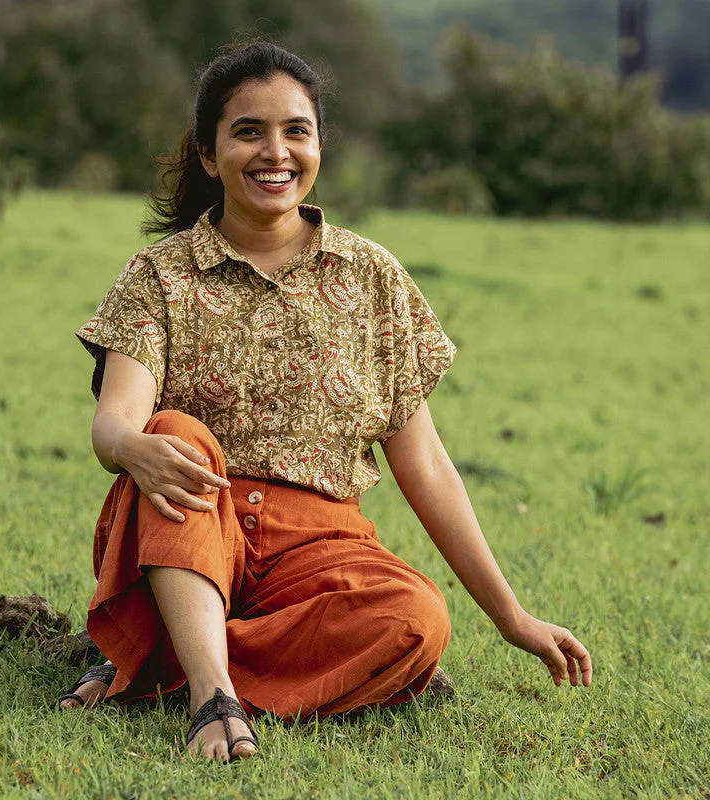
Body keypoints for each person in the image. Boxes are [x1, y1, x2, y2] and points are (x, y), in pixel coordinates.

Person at [59, 42, 592, 761]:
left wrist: (511, 616)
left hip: (318, 550)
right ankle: (212, 695)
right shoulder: (160, 274)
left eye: (295, 131)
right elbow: (115, 421)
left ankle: (157, 660)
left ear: (318, 146)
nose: (274, 152)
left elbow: (424, 464)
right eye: (248, 131)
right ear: (211, 155)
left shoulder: (372, 277)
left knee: (416, 620)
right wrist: (134, 447)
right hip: (187, 523)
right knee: (177, 432)